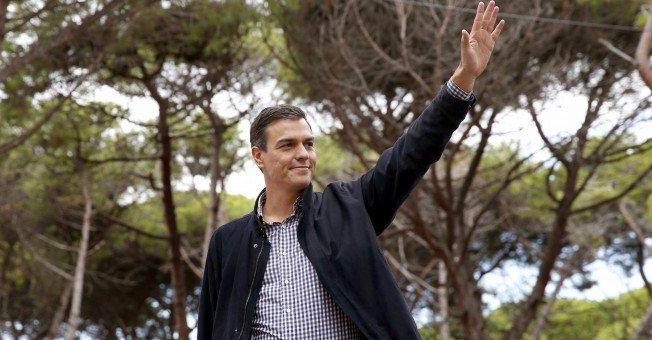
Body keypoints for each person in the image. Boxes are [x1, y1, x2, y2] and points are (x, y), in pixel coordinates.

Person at [197, 2, 505, 339]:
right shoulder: (228, 242)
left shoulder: (349, 208)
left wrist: (464, 78)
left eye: (308, 144)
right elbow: (213, 327)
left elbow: (412, 154)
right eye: (288, 145)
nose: (303, 154)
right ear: (259, 156)